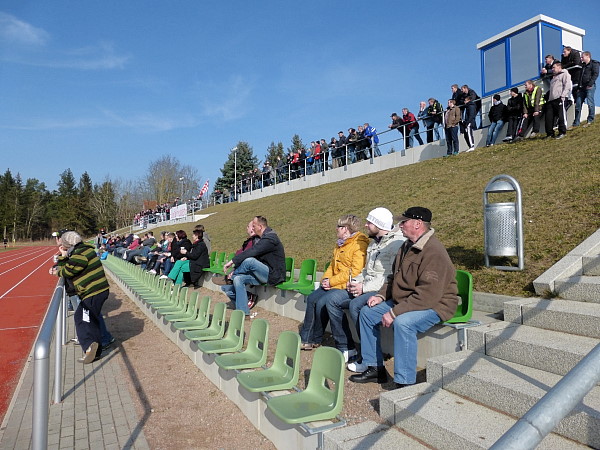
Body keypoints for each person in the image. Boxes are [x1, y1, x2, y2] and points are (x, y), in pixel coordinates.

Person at [349, 207, 459, 388]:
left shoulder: (434, 251)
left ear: (418, 224)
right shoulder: (406, 246)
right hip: (408, 300)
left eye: (404, 222)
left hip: (436, 305)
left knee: (403, 323)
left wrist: (394, 313)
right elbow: (394, 277)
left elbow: (428, 296)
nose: (400, 225)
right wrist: (381, 296)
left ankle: (405, 381)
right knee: (367, 314)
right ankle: (375, 367)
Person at [325, 208, 404, 364]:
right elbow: (366, 270)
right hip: (366, 285)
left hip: (381, 290)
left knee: (356, 305)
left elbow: (389, 276)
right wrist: (355, 281)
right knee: (331, 300)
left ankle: (371, 352)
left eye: (369, 222)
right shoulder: (374, 243)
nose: (366, 225)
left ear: (379, 225)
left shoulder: (395, 244)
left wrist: (363, 288)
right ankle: (346, 346)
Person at [299, 215, 369, 350]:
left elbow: (355, 271)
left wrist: (331, 282)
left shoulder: (359, 244)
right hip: (333, 282)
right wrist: (325, 279)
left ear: (346, 229)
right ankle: (306, 338)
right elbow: (332, 265)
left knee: (321, 303)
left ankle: (316, 338)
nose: (336, 229)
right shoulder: (340, 244)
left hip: (343, 284)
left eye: (339, 227)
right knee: (312, 298)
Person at [50, 231, 110, 364]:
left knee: (82, 318)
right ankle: (95, 349)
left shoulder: (79, 254)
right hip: (98, 290)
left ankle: (89, 346)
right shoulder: (84, 250)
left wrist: (58, 269)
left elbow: (68, 271)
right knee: (89, 318)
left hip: (93, 292)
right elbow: (71, 266)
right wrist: (64, 257)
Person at [218, 216, 286, 316]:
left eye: (253, 226)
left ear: (260, 226)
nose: (252, 228)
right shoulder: (261, 238)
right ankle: (243, 314)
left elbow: (253, 251)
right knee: (238, 279)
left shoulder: (270, 238)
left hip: (273, 275)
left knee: (250, 261)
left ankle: (229, 278)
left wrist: (232, 262)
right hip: (263, 273)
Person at [544, 61, 572, 140]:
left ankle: (562, 132)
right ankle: (550, 134)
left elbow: (567, 85)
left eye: (554, 67)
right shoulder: (554, 77)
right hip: (551, 100)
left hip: (560, 98)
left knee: (561, 116)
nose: (552, 69)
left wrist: (563, 95)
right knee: (549, 117)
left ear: (559, 67)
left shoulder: (565, 73)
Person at [573, 51, 598, 127]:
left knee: (590, 103)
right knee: (578, 105)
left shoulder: (594, 64)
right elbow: (580, 77)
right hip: (581, 88)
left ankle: (590, 120)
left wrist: (590, 84)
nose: (581, 58)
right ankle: (576, 123)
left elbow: (595, 74)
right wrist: (578, 87)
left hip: (589, 86)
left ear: (587, 56)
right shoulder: (583, 66)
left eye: (582, 57)